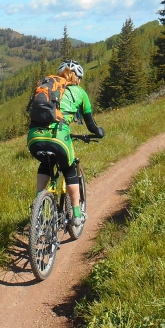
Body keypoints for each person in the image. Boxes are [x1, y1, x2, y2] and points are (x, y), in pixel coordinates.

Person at [27, 59, 105, 228]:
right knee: (70, 170)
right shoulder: (80, 93)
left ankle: (38, 200)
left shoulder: (50, 88)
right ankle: (77, 215)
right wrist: (100, 132)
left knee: (45, 163)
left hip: (34, 138)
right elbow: (91, 125)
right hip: (59, 138)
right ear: (78, 78)